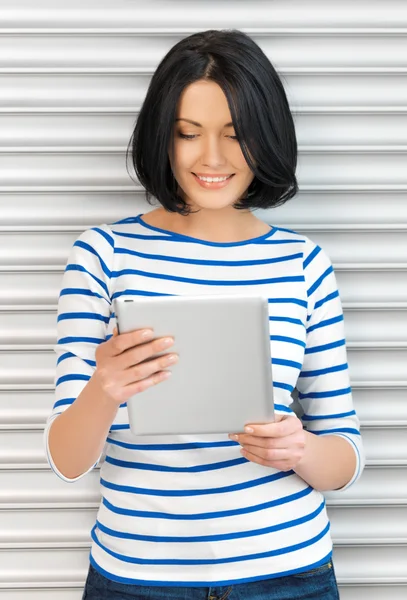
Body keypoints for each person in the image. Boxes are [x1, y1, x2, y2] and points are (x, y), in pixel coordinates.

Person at [44, 29, 365, 600]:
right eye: (188, 134)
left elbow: (343, 456)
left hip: (288, 574)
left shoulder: (303, 263)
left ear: (265, 138)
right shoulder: (103, 255)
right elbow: (68, 461)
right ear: (161, 139)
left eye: (235, 136)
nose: (212, 159)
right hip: (137, 577)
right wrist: (104, 389)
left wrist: (301, 449)